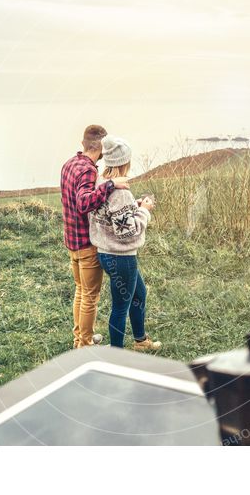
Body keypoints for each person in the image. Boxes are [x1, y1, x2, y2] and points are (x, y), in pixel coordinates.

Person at [89, 135, 161, 351]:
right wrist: (144, 211)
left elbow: (112, 216)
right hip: (121, 258)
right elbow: (128, 233)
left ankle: (141, 341)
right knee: (121, 307)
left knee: (139, 294)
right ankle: (116, 355)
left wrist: (134, 206)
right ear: (124, 161)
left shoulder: (101, 183)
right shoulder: (121, 192)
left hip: (105, 253)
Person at [60, 125, 130, 348]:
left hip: (71, 240)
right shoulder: (89, 170)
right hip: (86, 242)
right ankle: (85, 344)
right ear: (99, 147)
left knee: (80, 291)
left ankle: (80, 337)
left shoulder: (70, 163)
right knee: (90, 296)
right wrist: (111, 184)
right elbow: (83, 203)